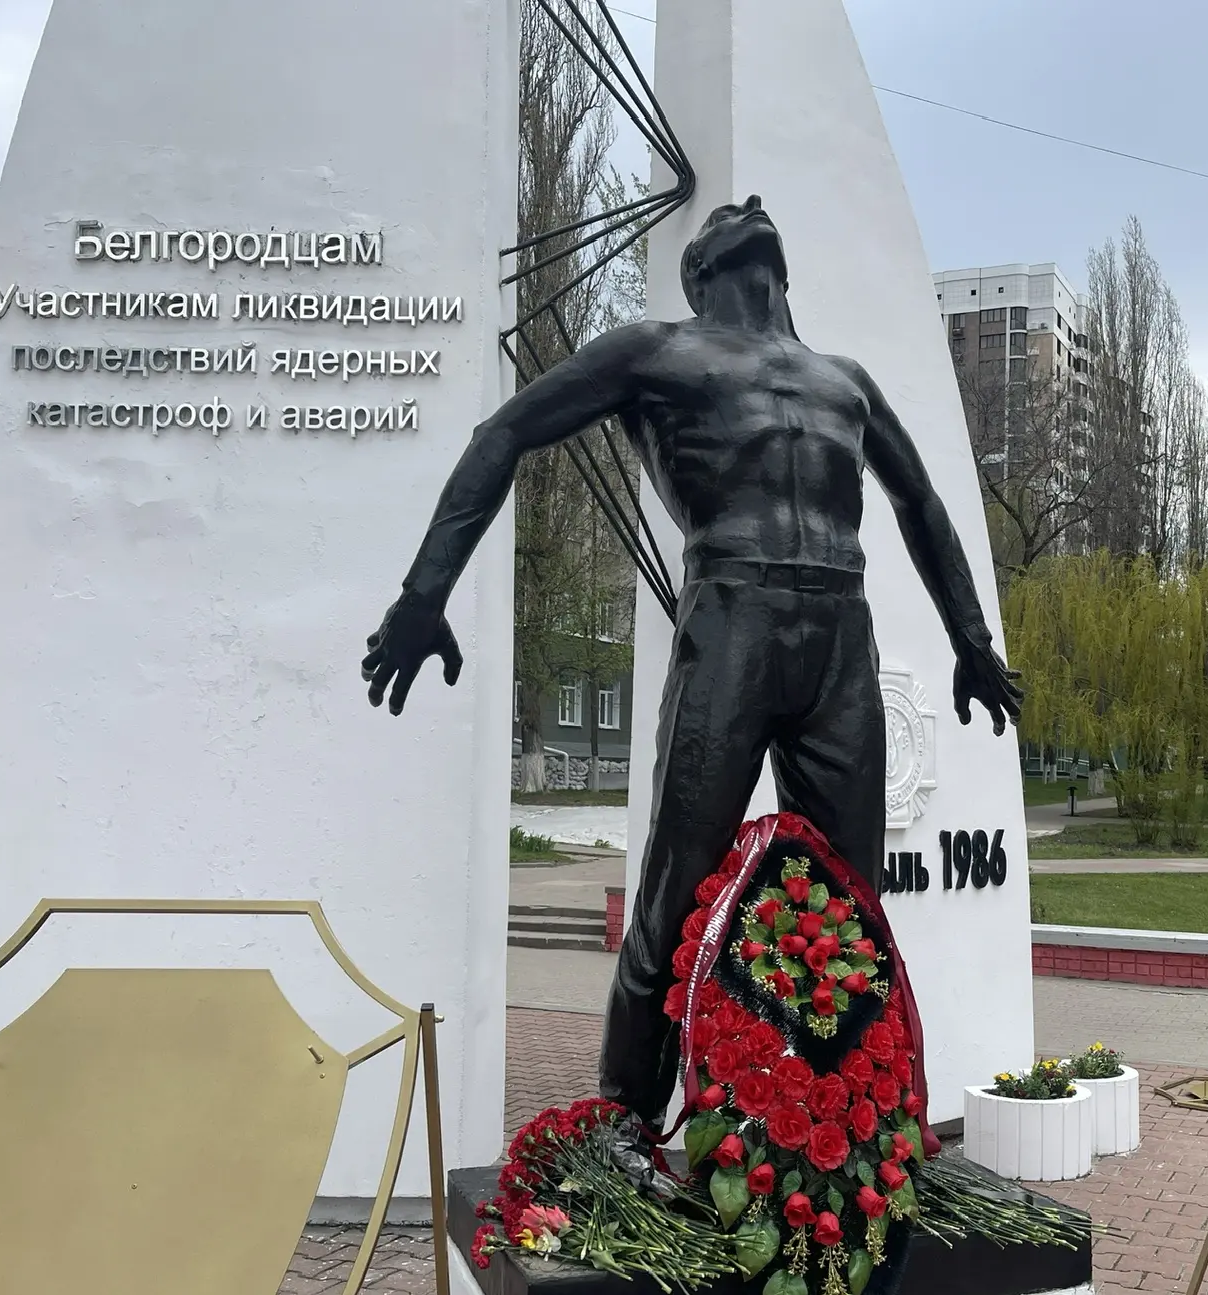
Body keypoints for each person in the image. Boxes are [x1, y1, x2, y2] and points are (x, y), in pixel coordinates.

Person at [362, 195, 1020, 1173]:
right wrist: (425, 595)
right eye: (723, 219)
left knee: (853, 906)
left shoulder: (846, 381)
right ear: (701, 271)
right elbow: (504, 433)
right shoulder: (658, 352)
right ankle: (624, 1122)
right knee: (676, 893)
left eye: (752, 213)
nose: (746, 206)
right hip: (732, 625)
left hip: (842, 636)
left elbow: (919, 502)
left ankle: (842, 1133)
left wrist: (971, 638)